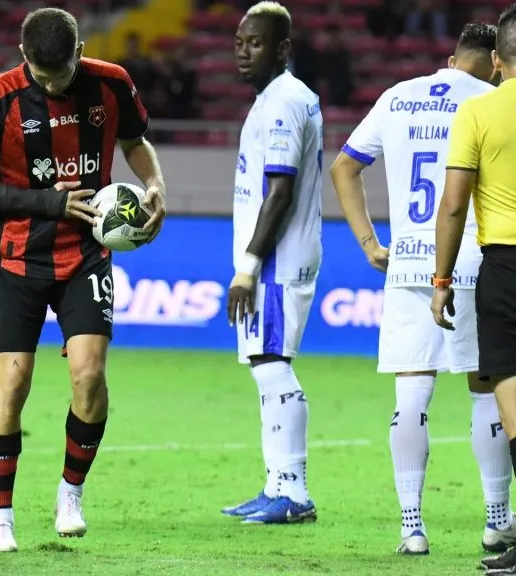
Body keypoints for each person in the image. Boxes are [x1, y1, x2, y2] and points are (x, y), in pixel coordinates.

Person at [0, 7, 167, 552]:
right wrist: (48, 202)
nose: (56, 84)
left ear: (80, 50)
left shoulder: (111, 83)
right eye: (44, 78)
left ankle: (70, 490)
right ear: (25, 59)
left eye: (64, 73)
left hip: (89, 253)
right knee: (14, 382)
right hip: (19, 258)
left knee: (89, 377)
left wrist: (155, 183)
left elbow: (136, 141)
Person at [331, 23, 516, 556]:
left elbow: (344, 168)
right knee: (486, 388)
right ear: (492, 60)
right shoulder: (491, 99)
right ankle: (495, 519)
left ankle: (411, 527)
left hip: (408, 261)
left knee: (412, 392)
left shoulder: (398, 97)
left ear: (449, 57)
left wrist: (370, 242)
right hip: (471, 259)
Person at [432, 4, 516, 575]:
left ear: (495, 61)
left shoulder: (479, 111)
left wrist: (440, 281)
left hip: (513, 272)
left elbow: (455, 203)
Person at [221, 0, 322, 525]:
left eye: (255, 44)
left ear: (282, 49)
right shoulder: (279, 98)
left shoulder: (282, 101)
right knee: (267, 362)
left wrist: (249, 264)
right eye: (239, 43)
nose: (243, 52)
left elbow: (278, 193)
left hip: (277, 260)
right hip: (280, 257)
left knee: (272, 364)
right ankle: (275, 483)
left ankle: (294, 492)